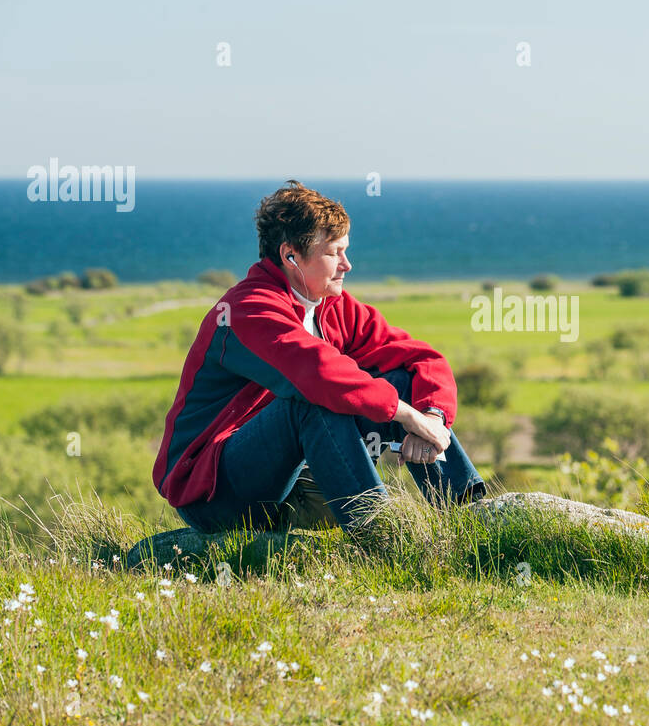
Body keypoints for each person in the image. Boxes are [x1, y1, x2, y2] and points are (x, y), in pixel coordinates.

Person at [152, 180, 486, 534]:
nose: (347, 265)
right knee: (310, 402)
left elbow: (421, 358)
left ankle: (468, 521)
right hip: (217, 494)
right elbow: (319, 374)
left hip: (298, 481)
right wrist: (407, 416)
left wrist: (431, 418)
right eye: (334, 253)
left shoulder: (334, 307)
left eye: (346, 251)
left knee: (401, 382)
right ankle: (382, 537)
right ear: (290, 256)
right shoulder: (247, 310)